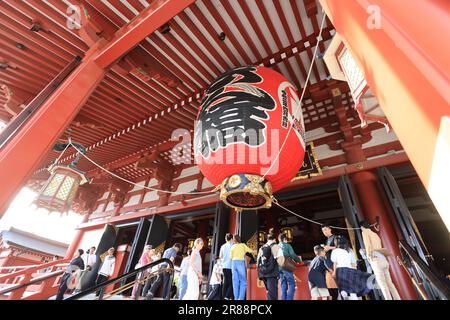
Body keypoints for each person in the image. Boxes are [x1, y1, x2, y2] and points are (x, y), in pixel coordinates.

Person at [360, 220, 401, 300]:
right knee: (390, 283)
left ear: (362, 227)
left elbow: (368, 246)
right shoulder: (375, 234)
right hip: (383, 259)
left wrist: (369, 257)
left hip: (376, 261)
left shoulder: (364, 233)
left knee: (383, 285)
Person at [331, 236, 372, 300]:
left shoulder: (335, 251)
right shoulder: (350, 250)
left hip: (340, 272)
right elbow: (354, 264)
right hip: (350, 271)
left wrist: (334, 272)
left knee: (346, 293)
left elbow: (335, 263)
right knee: (353, 290)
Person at [257, 230, 282, 300]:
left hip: (263, 273)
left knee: (269, 292)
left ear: (267, 239)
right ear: (275, 239)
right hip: (272, 273)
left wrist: (260, 270)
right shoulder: (276, 247)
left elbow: (258, 260)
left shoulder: (262, 248)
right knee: (273, 294)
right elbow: (281, 260)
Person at [278, 233, 302, 300]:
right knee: (292, 284)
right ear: (285, 239)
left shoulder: (276, 246)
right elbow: (292, 255)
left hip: (279, 268)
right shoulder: (287, 245)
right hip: (286, 266)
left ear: (279, 239)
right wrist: (299, 261)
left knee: (283, 285)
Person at [230, 234, 254, 300]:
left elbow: (231, 257)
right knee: (243, 282)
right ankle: (240, 298)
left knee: (235, 282)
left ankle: (236, 298)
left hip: (233, 263)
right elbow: (251, 251)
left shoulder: (232, 247)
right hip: (240, 263)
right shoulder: (243, 245)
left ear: (234, 240)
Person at [321, 225, 339, 299]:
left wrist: (329, 247)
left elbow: (340, 247)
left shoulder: (335, 237)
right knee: (337, 284)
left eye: (325, 229)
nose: (324, 232)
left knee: (340, 284)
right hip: (330, 266)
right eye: (323, 231)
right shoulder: (327, 240)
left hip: (335, 264)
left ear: (330, 229)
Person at [219, 233, 234, 300]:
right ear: (231, 239)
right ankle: (227, 297)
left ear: (226, 239)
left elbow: (220, 257)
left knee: (225, 283)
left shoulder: (222, 246)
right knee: (232, 283)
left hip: (224, 266)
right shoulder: (233, 246)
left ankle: (224, 297)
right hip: (231, 266)